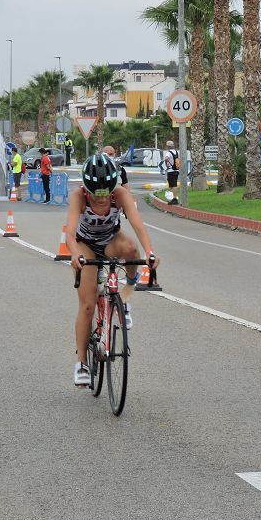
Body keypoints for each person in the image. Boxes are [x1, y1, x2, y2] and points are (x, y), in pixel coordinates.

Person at [67, 153, 158, 388]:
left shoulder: (120, 195)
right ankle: (81, 364)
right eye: (96, 195)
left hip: (110, 241)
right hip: (86, 246)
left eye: (105, 194)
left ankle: (125, 297)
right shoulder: (78, 196)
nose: (101, 200)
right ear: (86, 188)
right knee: (87, 306)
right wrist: (75, 253)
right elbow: (69, 233)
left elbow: (137, 224)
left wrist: (150, 252)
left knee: (131, 248)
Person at [163, 140, 179, 204]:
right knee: (173, 184)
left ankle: (174, 199)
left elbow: (166, 159)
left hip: (171, 171)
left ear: (167, 146)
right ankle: (174, 198)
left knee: (173, 185)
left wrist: (166, 165)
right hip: (176, 170)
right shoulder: (176, 152)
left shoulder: (168, 153)